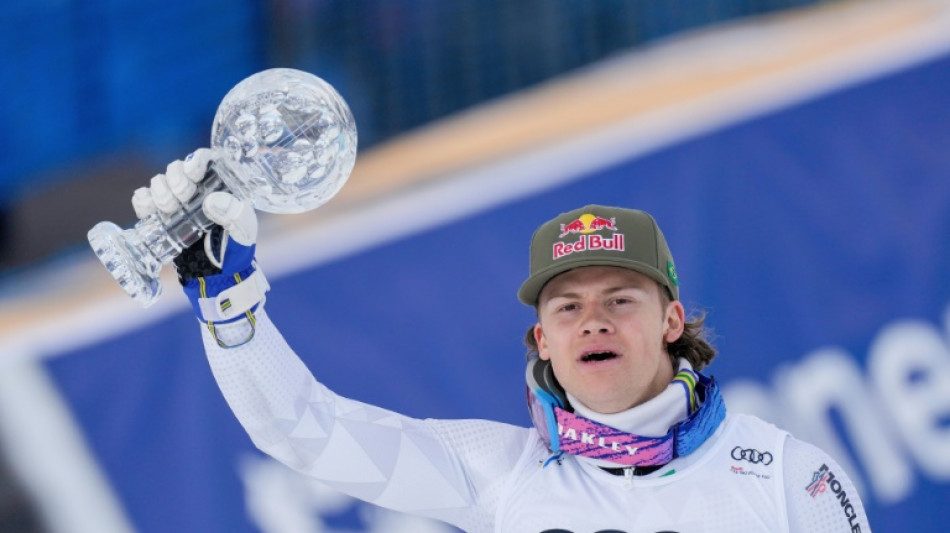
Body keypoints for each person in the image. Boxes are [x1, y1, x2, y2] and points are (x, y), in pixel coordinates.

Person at [132, 150, 871, 532]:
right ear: (541, 341)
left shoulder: (786, 475)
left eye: (621, 298)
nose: (594, 320)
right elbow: (305, 431)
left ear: (673, 321)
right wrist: (228, 303)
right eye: (568, 306)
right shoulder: (496, 470)